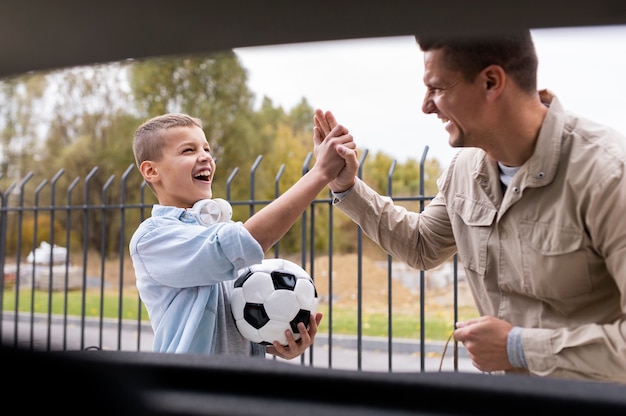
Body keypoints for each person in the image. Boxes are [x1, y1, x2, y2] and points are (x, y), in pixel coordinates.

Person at [313, 30, 626, 384]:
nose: (426, 105)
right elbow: (422, 245)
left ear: (492, 82)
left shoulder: (608, 175)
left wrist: (518, 348)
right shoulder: (464, 169)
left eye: (437, 88)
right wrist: (346, 187)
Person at [129, 112, 357, 359]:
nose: (205, 156)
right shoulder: (153, 239)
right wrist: (320, 173)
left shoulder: (211, 228)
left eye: (206, 148)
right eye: (188, 150)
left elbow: (235, 321)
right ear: (151, 171)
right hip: (190, 390)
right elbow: (242, 243)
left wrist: (275, 341)